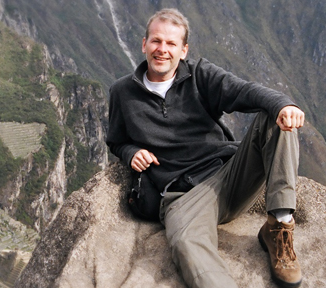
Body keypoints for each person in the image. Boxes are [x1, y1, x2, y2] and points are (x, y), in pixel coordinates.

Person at [106, 8, 305, 288]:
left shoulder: (200, 76)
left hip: (228, 175)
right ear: (144, 44)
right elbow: (116, 140)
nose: (162, 49)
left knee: (274, 119)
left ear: (183, 50)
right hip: (182, 196)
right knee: (187, 245)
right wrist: (130, 153)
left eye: (171, 43)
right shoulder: (122, 92)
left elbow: (245, 91)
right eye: (156, 41)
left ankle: (279, 225)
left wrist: (284, 104)